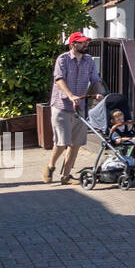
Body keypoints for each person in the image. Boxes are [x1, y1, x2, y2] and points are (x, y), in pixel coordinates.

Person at [44, 32, 102, 185]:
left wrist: (98, 92)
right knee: (62, 143)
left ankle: (66, 176)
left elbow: (95, 79)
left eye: (86, 42)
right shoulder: (62, 59)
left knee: (76, 143)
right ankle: (50, 166)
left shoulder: (89, 61)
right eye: (82, 42)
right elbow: (59, 79)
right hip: (61, 106)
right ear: (73, 44)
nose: (85, 45)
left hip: (79, 107)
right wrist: (70, 95)